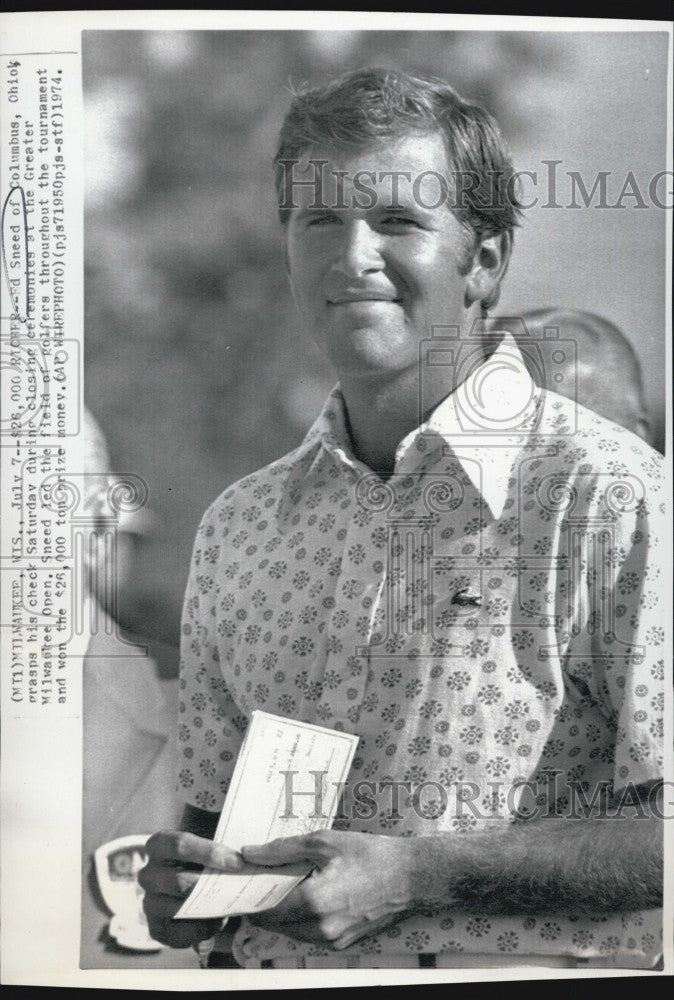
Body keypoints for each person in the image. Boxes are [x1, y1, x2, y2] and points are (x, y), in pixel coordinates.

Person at [139, 68, 665, 970]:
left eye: (398, 221)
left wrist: (420, 875)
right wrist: (185, 888)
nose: (352, 258)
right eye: (320, 221)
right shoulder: (239, 526)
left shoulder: (610, 496)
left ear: (486, 261)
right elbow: (210, 819)